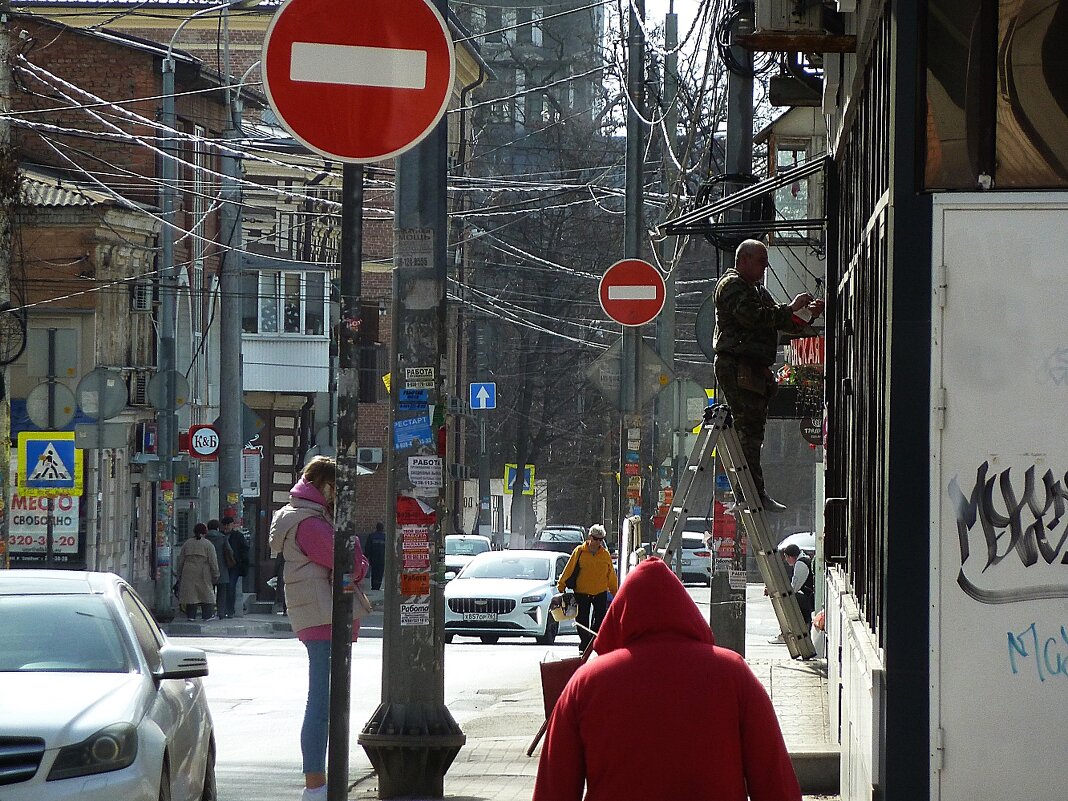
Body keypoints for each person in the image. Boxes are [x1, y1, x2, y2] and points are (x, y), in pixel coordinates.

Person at [533, 557, 801, 801]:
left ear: (618, 616)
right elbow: (774, 780)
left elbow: (553, 788)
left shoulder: (587, 683)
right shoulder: (732, 673)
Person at [268, 456, 369, 801]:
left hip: (322, 614)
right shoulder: (310, 523)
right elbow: (350, 563)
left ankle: (318, 783)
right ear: (325, 486)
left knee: (326, 701)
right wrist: (354, 550)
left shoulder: (309, 518)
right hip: (323, 615)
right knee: (322, 702)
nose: (339, 495)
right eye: (336, 488)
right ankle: (315, 786)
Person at [713, 238, 824, 512]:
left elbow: (780, 321)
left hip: (753, 368)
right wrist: (790, 308)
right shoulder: (732, 286)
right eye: (760, 262)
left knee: (754, 430)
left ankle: (753, 491)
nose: (764, 268)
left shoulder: (757, 291)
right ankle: (749, 493)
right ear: (744, 260)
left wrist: (807, 316)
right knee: (747, 429)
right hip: (737, 364)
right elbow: (754, 317)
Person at [556, 524, 618, 653]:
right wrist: (561, 585)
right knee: (582, 621)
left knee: (600, 620)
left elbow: (611, 574)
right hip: (582, 592)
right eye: (596, 539)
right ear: (590, 537)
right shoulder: (579, 551)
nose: (598, 542)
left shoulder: (605, 554)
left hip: (600, 592)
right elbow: (569, 568)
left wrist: (615, 592)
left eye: (601, 540)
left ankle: (592, 642)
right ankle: (585, 643)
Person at [176, 523, 219, 621]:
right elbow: (213, 561)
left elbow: (181, 560)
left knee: (191, 594)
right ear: (205, 532)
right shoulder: (208, 544)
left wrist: (179, 574)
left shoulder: (187, 543)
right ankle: (207, 615)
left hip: (188, 571)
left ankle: (191, 616)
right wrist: (216, 574)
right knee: (206, 593)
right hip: (203, 571)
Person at [222, 516, 249, 618]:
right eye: (225, 525)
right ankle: (222, 609)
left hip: (234, 566)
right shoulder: (220, 535)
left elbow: (245, 549)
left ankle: (230, 611)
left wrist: (240, 561)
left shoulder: (238, 536)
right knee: (222, 588)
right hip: (222, 565)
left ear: (232, 525)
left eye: (228, 525)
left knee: (230, 587)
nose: (226, 527)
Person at [205, 519, 232, 614]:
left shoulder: (204, 539)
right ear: (217, 527)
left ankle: (209, 612)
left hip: (207, 569)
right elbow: (229, 551)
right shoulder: (223, 538)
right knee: (222, 592)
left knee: (208, 592)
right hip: (222, 568)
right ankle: (221, 612)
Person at [783, 543, 815, 625]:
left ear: (790, 556)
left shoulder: (801, 564)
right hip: (811, 596)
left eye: (786, 557)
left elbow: (794, 588)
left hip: (810, 598)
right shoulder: (804, 559)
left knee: (790, 598)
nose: (786, 560)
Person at [366, 522, 386, 591]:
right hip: (382, 559)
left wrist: (366, 556)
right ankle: (378, 586)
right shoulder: (385, 537)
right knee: (380, 573)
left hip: (373, 558)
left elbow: (368, 548)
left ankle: (373, 586)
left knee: (374, 572)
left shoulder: (371, 536)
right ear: (382, 528)